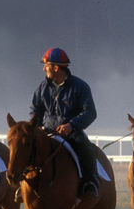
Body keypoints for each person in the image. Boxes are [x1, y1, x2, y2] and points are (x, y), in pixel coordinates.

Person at [31, 48, 99, 197]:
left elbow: (90, 112)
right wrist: (37, 128)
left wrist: (71, 125)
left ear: (56, 67)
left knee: (84, 146)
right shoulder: (42, 88)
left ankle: (90, 182)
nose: (44, 69)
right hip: (47, 132)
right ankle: (23, 185)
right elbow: (35, 110)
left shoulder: (80, 87)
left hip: (72, 133)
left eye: (46, 65)